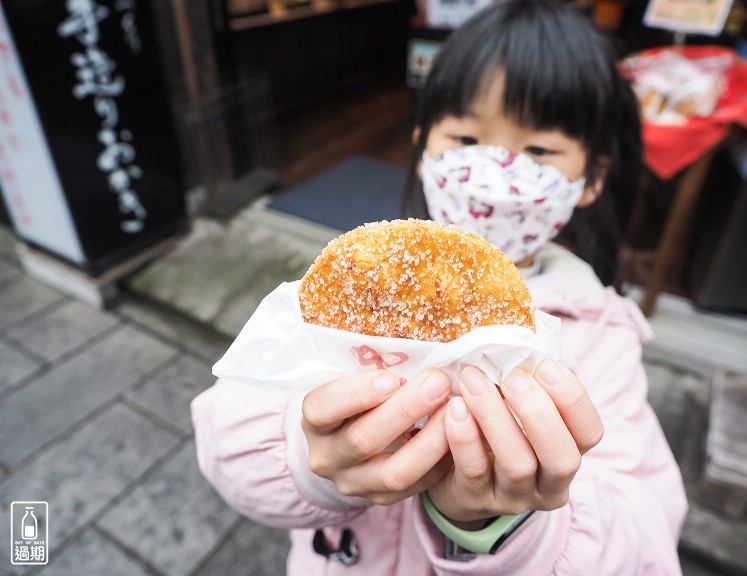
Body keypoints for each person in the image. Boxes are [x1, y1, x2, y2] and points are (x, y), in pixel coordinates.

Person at [191, 1, 688, 574]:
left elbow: (646, 541)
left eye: (538, 150)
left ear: (591, 178)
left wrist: (507, 522)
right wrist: (310, 454)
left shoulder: (602, 340)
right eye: (466, 137)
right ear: (427, 148)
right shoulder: (364, 289)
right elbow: (225, 444)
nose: (495, 171)